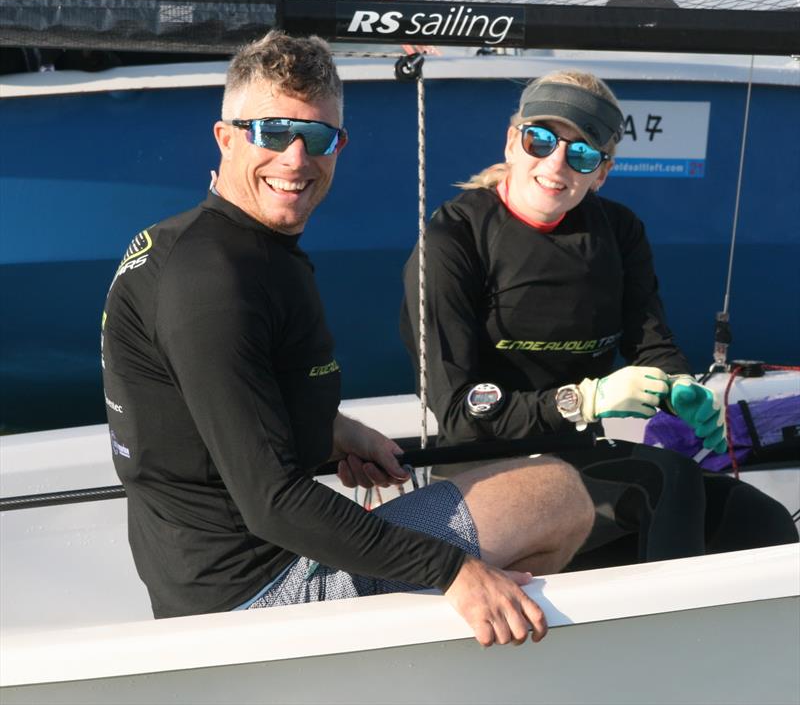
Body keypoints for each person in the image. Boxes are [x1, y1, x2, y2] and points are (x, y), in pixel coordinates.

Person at [101, 32, 595, 647]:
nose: (297, 158)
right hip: (257, 598)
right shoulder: (214, 284)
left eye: (319, 138)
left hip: (207, 573)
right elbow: (274, 503)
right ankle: (474, 651)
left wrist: (333, 432)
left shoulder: (197, 245)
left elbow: (211, 401)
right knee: (554, 492)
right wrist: (453, 572)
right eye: (274, 133)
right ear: (226, 138)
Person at [400, 71, 797, 559]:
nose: (557, 162)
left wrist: (680, 388)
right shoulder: (454, 237)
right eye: (540, 139)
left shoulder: (619, 231)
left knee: (760, 521)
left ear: (601, 172)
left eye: (582, 152)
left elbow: (650, 344)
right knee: (665, 482)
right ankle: (662, 632)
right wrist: (584, 400)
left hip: (575, 459)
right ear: (511, 142)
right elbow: (460, 413)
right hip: (479, 467)